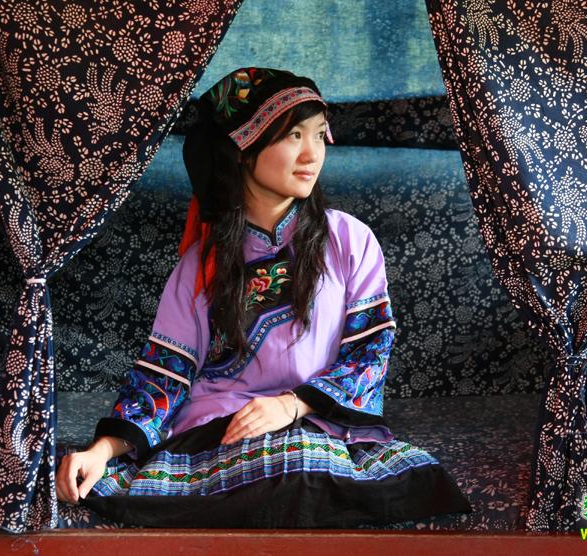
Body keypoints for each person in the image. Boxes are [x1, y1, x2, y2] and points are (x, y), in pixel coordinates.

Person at [55, 67, 470, 528]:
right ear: (243, 148)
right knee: (283, 472)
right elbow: (164, 374)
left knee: (326, 469)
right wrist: (102, 450)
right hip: (222, 430)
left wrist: (290, 405)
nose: (312, 153)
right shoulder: (200, 265)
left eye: (319, 134)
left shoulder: (350, 241)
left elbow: (369, 354)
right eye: (294, 135)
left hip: (317, 421)